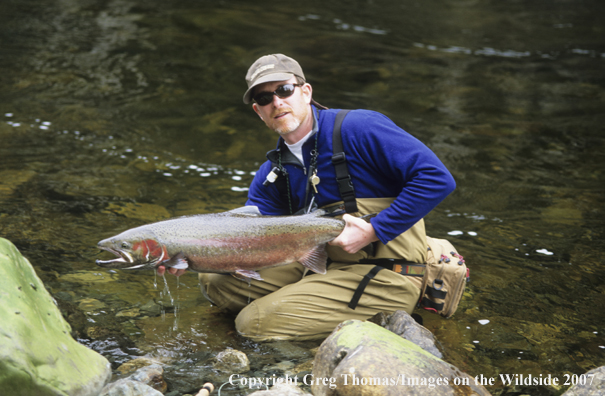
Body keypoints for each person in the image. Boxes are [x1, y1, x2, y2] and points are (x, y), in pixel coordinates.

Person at [159, 54, 456, 341]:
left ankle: (326, 316)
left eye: (284, 90)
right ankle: (306, 306)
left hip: (387, 271)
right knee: (214, 280)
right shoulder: (271, 173)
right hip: (321, 264)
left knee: (253, 324)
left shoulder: (359, 128)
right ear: (258, 111)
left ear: (306, 92)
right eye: (263, 98)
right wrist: (190, 254)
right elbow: (253, 238)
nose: (276, 102)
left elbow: (436, 179)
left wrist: (375, 229)